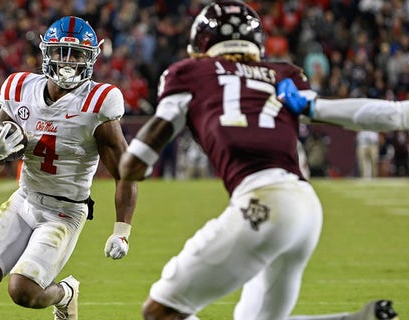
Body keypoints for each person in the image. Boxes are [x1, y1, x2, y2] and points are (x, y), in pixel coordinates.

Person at [118, 1, 398, 320]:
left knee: (160, 313)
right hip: (305, 208)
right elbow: (363, 113)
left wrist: (131, 166)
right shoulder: (283, 75)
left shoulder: (189, 73)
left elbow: (136, 161)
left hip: (264, 201)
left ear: (201, 43)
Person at [0, 16, 137, 320]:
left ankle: (65, 294)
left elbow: (125, 171)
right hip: (24, 199)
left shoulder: (98, 101)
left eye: (77, 54)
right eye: (60, 52)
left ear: (91, 58)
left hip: (63, 211)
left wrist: (122, 230)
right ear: (46, 53)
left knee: (23, 291)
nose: (67, 61)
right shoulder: (19, 87)